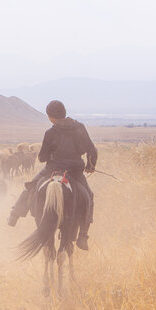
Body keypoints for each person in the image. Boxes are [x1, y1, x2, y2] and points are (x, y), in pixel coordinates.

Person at [7, 100, 97, 250]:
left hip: (52, 170)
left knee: (31, 186)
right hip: (75, 171)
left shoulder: (51, 132)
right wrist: (90, 166)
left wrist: (49, 156)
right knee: (88, 196)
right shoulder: (80, 127)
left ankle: (15, 214)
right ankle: (83, 235)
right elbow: (92, 149)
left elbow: (42, 157)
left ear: (50, 117)